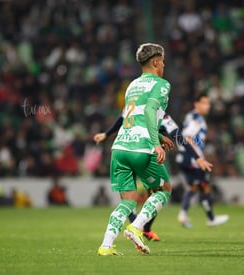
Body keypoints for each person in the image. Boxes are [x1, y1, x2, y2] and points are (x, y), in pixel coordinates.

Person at [97, 43, 172, 256]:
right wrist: (155, 142)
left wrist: (159, 135)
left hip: (120, 147)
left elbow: (131, 118)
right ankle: (136, 227)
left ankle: (105, 245)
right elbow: (149, 110)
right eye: (163, 61)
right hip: (142, 148)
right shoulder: (162, 84)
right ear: (156, 62)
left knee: (128, 202)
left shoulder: (132, 86)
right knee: (164, 190)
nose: (164, 65)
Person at [93, 113, 213, 241]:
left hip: (130, 151)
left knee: (145, 194)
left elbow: (123, 117)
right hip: (144, 153)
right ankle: (139, 227)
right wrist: (197, 157)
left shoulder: (147, 109)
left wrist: (106, 134)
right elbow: (123, 118)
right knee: (157, 191)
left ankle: (141, 228)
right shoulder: (156, 110)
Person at [176, 93, 229, 228]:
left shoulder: (190, 115)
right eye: (204, 103)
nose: (208, 106)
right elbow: (187, 137)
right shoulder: (197, 119)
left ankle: (183, 214)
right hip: (192, 158)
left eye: (208, 103)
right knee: (205, 187)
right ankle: (211, 219)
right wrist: (198, 157)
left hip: (183, 157)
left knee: (193, 187)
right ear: (196, 104)